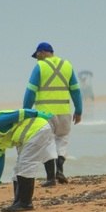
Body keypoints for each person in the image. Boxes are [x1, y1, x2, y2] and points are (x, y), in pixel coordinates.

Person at [0, 108, 55, 212]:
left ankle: (25, 203)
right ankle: (18, 202)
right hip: (28, 137)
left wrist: (38, 113)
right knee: (18, 169)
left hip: (37, 129)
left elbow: (21, 113)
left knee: (26, 165)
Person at [23, 42, 83, 187]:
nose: (37, 58)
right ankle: (60, 171)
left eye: (37, 55)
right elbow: (75, 90)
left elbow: (30, 91)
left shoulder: (40, 67)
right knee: (62, 140)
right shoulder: (67, 65)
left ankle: (51, 178)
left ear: (42, 52)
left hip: (45, 114)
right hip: (64, 112)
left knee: (46, 143)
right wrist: (79, 110)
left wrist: (25, 111)